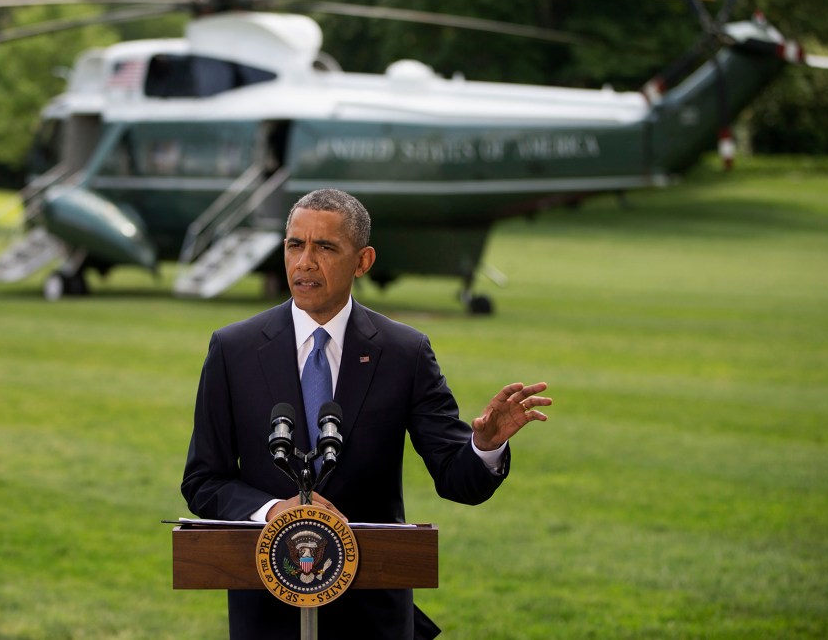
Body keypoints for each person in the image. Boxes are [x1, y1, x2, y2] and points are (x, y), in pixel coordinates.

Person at [181, 188, 551, 640]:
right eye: (295, 245)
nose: (305, 262)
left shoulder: (404, 352)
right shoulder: (233, 349)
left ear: (363, 260)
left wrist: (485, 447)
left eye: (325, 247)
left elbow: (458, 480)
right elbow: (204, 481)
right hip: (267, 614)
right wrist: (275, 510)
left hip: (373, 614)